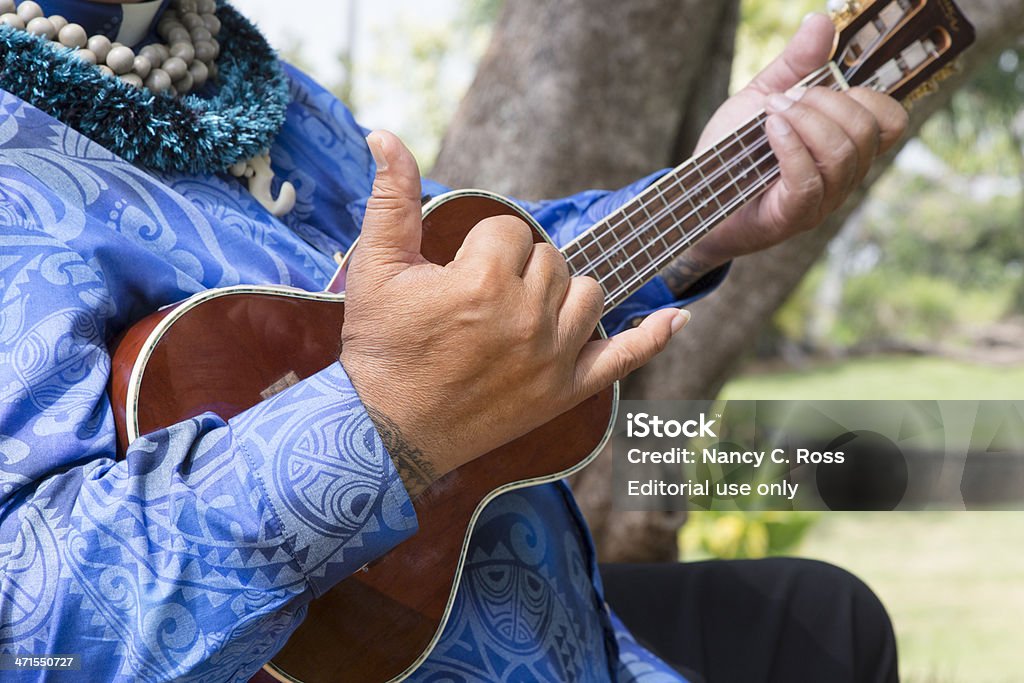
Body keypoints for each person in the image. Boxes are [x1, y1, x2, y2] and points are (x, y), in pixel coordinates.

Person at [0, 0, 907, 681]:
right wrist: (384, 422)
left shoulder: (246, 77)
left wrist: (706, 206)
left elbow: (465, 292)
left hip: (555, 623)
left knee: (829, 618)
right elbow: (36, 629)